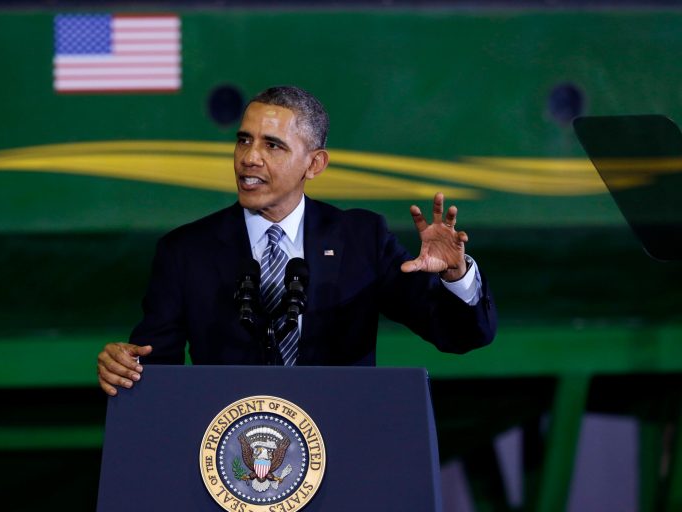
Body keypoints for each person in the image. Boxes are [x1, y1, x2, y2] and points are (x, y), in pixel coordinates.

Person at [97, 85, 496, 396]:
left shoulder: (361, 238)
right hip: (227, 458)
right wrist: (125, 366)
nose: (249, 158)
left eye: (272, 145)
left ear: (314, 163)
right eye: (243, 140)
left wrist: (456, 275)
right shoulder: (185, 251)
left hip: (338, 447)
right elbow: (153, 369)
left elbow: (460, 336)